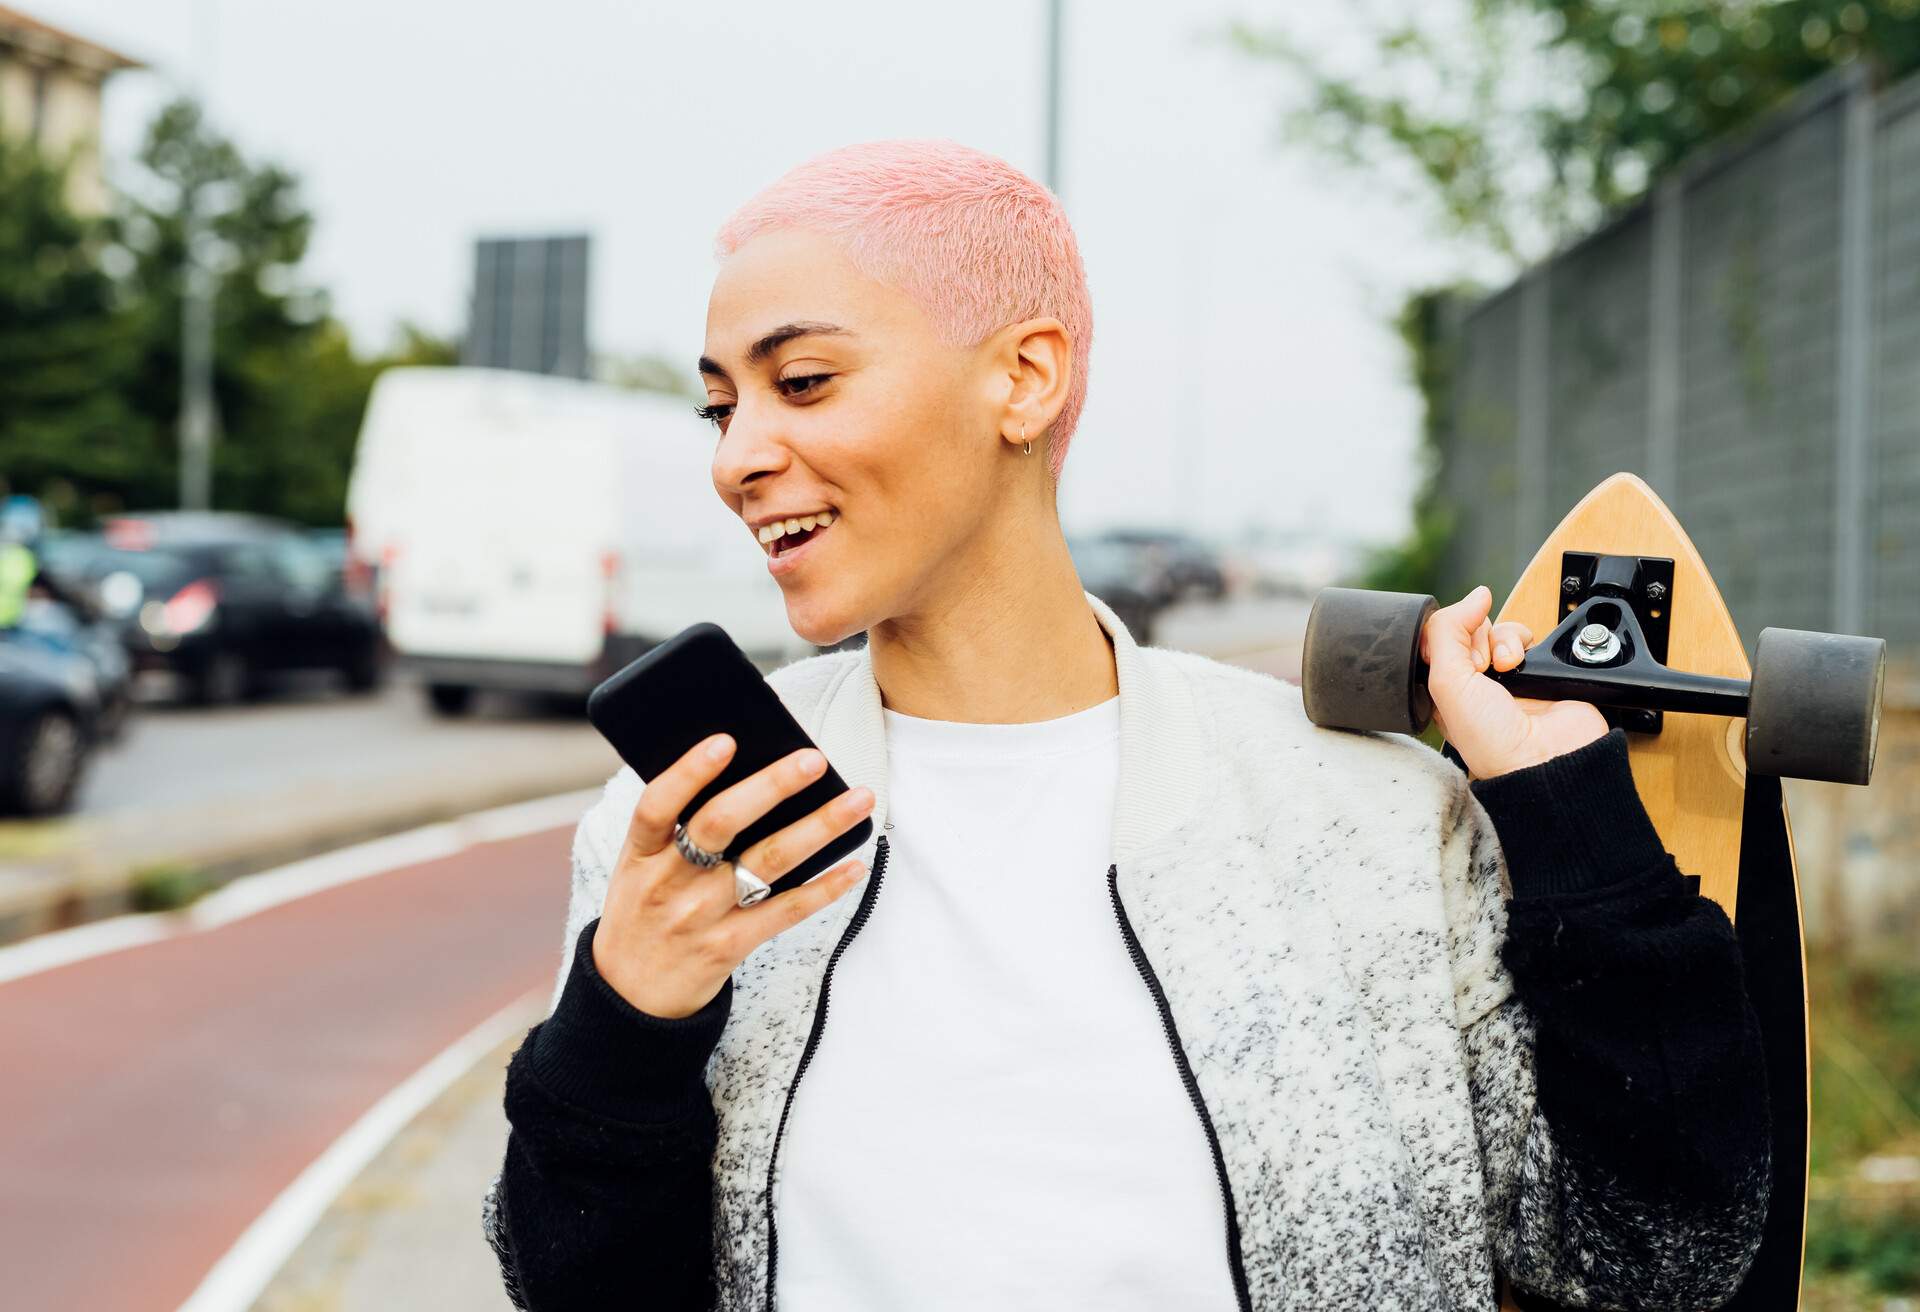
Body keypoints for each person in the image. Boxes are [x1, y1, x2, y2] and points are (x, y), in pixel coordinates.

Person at [482, 141, 1769, 1311]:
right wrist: (618, 1025)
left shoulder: (1370, 822)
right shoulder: (685, 841)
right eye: (721, 407)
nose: (735, 457)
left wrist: (1576, 829)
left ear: (1025, 379)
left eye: (802, 381)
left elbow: (1657, 1255)